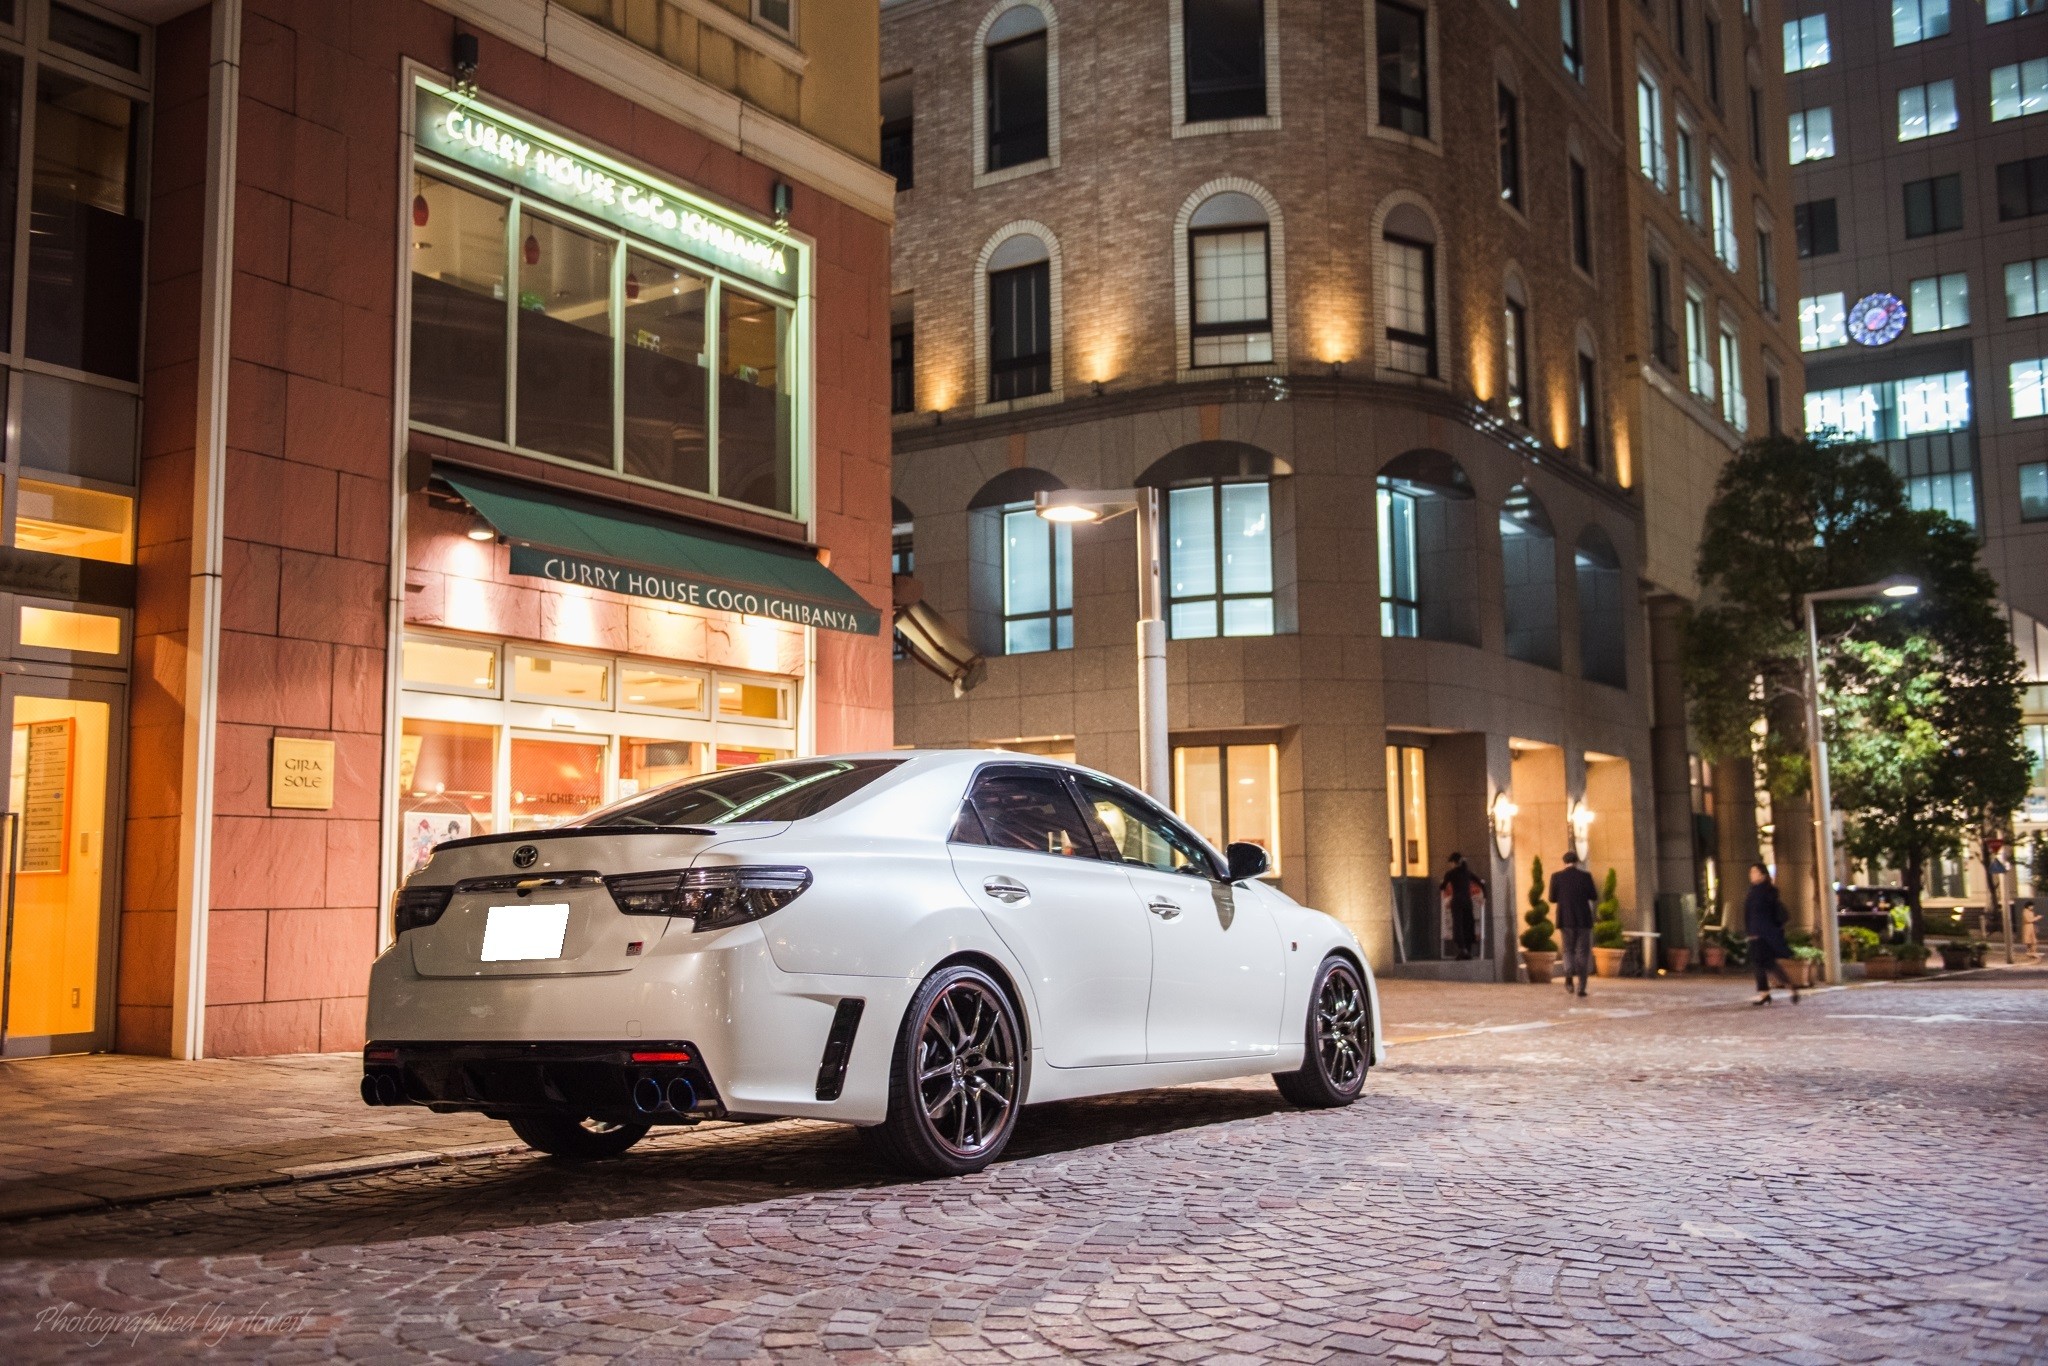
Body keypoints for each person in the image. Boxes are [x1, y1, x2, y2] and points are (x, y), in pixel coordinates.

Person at [1745, 862, 1799, 1005]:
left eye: (1755, 872)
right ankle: (1788, 986)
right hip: (1765, 933)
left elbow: (1757, 915)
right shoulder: (1762, 891)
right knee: (1769, 964)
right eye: (1751, 872)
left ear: (1763, 875)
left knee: (1759, 963)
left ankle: (1766, 993)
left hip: (1760, 934)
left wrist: (1753, 932)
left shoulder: (1759, 893)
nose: (1751, 875)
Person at [1549, 850, 1598, 997]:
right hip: (1583, 920)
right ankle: (1581, 987)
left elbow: (1552, 898)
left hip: (1565, 919)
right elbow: (1593, 896)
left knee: (1568, 950)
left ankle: (1569, 972)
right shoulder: (1585, 876)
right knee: (1582, 952)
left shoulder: (1556, 877)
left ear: (1564, 862)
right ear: (1576, 862)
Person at [1440, 852, 1483, 960]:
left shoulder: (1451, 873)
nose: (1450, 865)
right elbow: (1481, 883)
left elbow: (1443, 886)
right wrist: (1484, 897)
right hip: (1468, 902)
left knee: (1458, 925)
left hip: (1457, 902)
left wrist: (1443, 886)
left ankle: (1463, 949)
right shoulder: (1468, 873)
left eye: (1451, 863)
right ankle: (1468, 950)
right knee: (1468, 925)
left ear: (1454, 863)